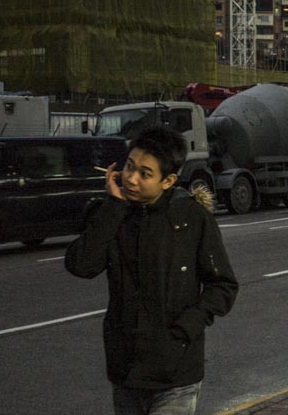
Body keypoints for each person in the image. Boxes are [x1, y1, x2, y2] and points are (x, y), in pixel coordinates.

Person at [65, 125, 238, 415]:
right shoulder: (113, 215)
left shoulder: (191, 219)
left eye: (145, 174)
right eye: (129, 167)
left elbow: (223, 285)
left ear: (168, 180)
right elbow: (81, 265)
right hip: (126, 371)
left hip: (176, 373)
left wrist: (186, 328)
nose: (131, 178)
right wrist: (114, 207)